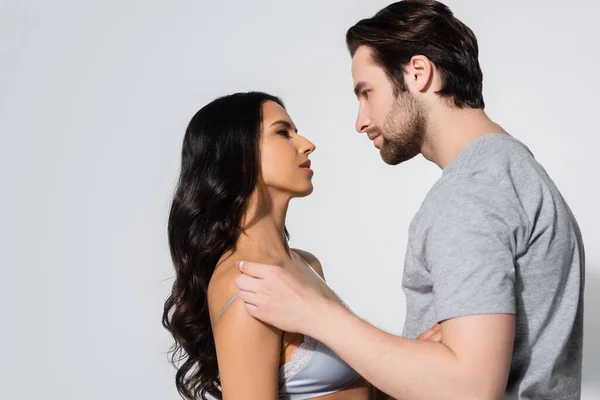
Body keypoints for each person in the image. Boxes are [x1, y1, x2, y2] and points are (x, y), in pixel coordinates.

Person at [234, 1, 585, 399]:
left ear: (419, 73)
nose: (361, 120)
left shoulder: (469, 193)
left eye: (367, 92)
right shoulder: (515, 170)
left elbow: (469, 389)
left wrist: (314, 313)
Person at [162, 91, 440, 400]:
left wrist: (412, 360)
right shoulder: (247, 287)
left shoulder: (306, 264)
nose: (307, 144)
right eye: (283, 133)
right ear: (239, 157)